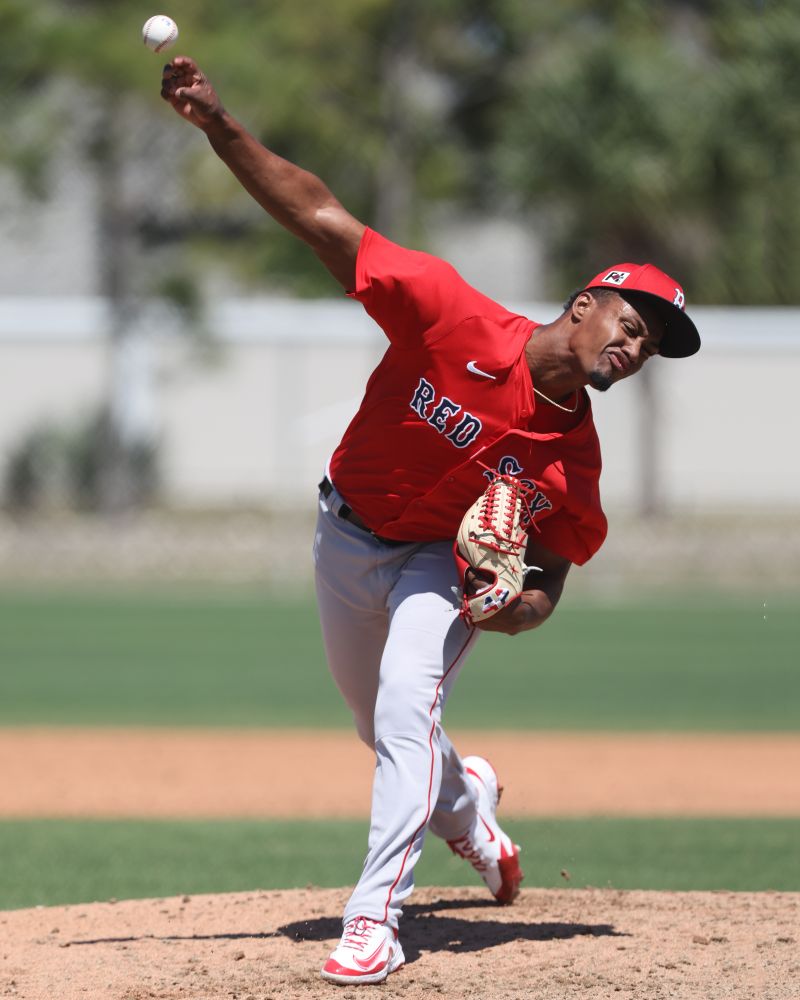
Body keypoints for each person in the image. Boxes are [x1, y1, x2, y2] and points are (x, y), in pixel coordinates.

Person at [161, 56, 700, 986]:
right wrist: (219, 126)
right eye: (630, 319)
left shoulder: (574, 461)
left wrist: (504, 607)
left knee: (410, 705)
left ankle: (374, 922)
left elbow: (545, 589)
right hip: (343, 532)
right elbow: (321, 218)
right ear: (583, 305)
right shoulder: (453, 317)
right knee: (382, 728)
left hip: (432, 567)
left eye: (652, 341)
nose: (636, 343)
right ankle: (471, 807)